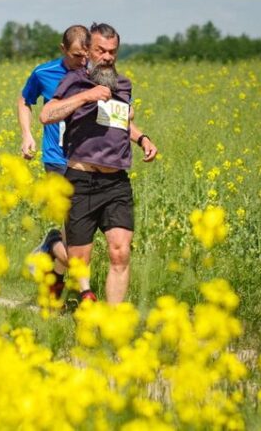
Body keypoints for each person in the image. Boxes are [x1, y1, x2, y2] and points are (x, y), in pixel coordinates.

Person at [40, 22, 157, 304]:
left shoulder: (123, 85)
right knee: (78, 260)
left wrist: (142, 139)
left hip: (116, 182)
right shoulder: (74, 81)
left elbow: (119, 124)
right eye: (100, 50)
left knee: (120, 252)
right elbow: (47, 114)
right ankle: (52, 246)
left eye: (112, 52)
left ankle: (112, 325)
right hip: (81, 181)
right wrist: (86, 96)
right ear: (89, 51)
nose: (107, 57)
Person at [17, 25, 89, 285]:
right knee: (74, 228)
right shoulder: (44, 73)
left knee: (79, 235)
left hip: (88, 162)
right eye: (75, 56)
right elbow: (25, 100)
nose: (82, 61)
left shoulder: (95, 74)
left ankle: (52, 271)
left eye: (85, 55)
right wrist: (27, 135)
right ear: (62, 49)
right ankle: (53, 249)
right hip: (57, 160)